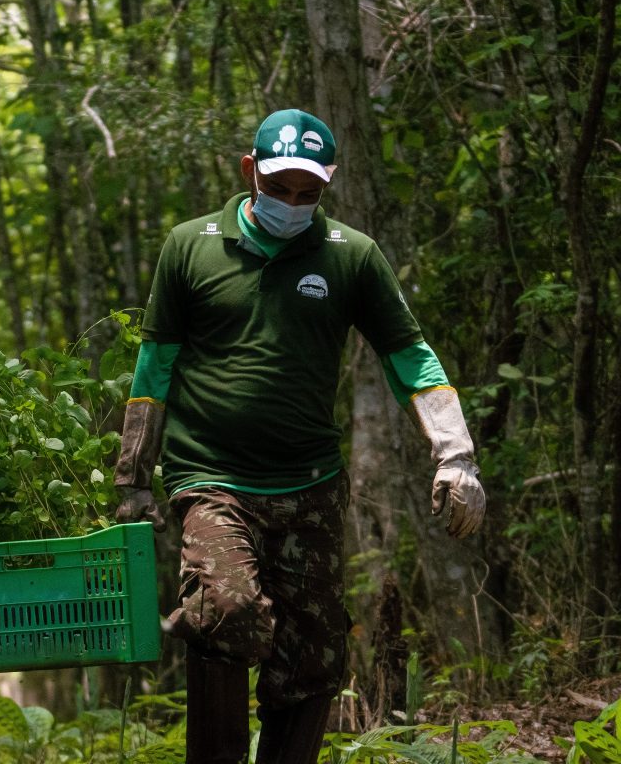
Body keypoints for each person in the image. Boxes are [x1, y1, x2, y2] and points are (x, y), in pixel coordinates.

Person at [112, 109, 486, 763]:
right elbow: (155, 368)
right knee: (225, 611)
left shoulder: (351, 256)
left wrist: (455, 455)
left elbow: (411, 357)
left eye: (307, 193)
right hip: (211, 477)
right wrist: (133, 477)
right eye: (279, 187)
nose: (291, 203)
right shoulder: (190, 245)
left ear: (327, 185)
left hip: (310, 483)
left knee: (315, 655)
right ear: (249, 171)